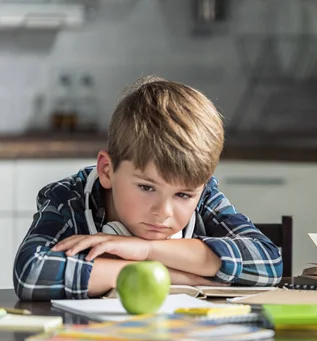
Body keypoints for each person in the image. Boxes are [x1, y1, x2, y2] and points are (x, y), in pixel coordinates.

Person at [14, 76, 282, 301]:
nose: (163, 212)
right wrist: (161, 274)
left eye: (183, 195)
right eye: (146, 187)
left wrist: (147, 250)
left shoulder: (204, 197)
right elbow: (32, 271)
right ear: (107, 170)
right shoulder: (68, 197)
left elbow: (269, 263)